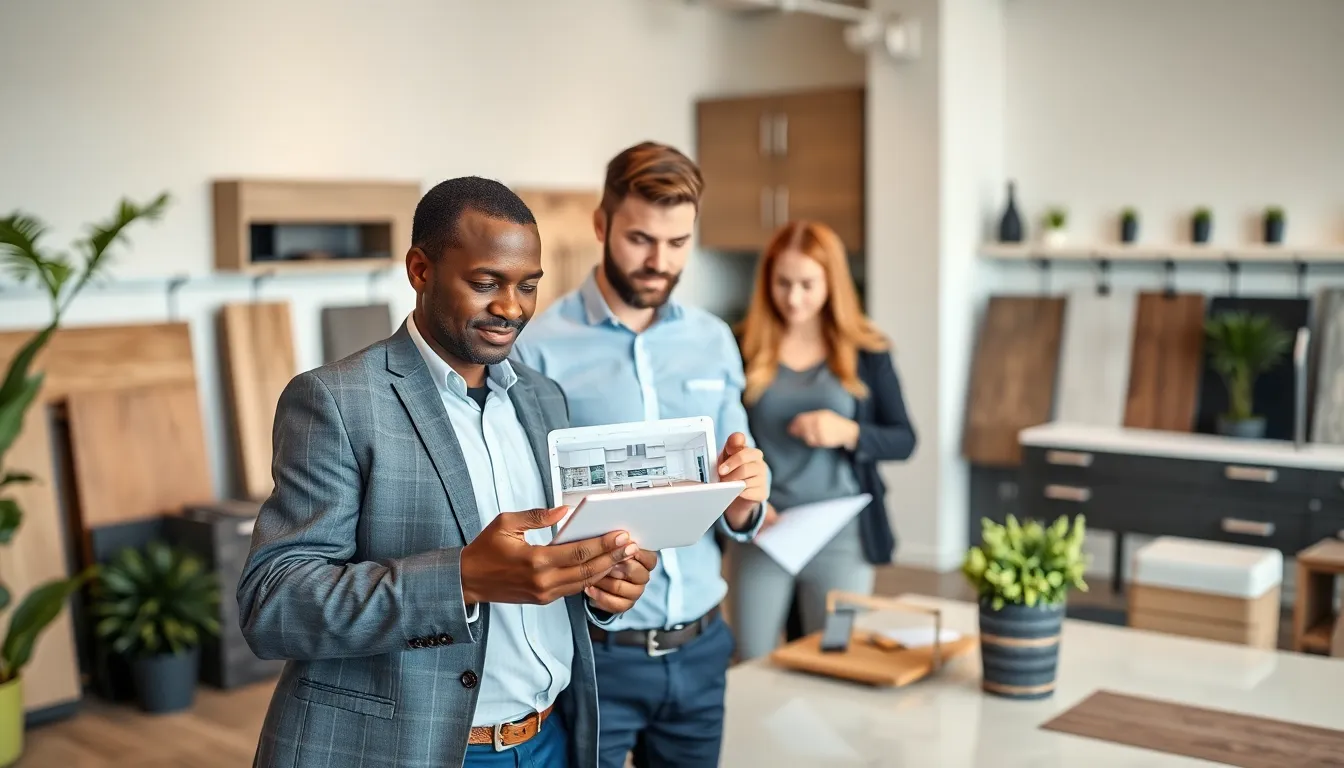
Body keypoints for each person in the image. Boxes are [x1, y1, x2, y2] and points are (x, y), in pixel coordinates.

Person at [237, 176, 659, 768]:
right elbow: (272, 604)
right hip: (414, 750)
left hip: (551, 740)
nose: (511, 308)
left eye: (527, 286)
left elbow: (551, 559)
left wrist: (602, 586)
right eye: (486, 283)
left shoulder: (545, 399)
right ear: (420, 269)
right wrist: (460, 579)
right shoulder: (336, 401)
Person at [509, 141, 770, 768]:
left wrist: (750, 492)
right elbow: (523, 506)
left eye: (678, 243)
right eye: (641, 239)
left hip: (705, 644)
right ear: (602, 226)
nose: (660, 261)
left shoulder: (714, 341)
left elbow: (736, 498)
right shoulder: (537, 349)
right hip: (600, 653)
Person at [729, 219, 917, 662]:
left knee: (837, 658)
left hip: (842, 534)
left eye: (807, 284)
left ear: (832, 281)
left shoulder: (868, 350)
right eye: (783, 283)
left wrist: (848, 431)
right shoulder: (740, 347)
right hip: (765, 529)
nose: (793, 298)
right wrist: (745, 502)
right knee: (751, 658)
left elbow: (905, 440)